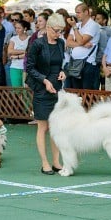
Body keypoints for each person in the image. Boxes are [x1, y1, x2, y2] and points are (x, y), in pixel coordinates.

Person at [25, 13, 67, 175]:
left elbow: (61, 63)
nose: (58, 34)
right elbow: (30, 67)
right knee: (43, 126)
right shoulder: (37, 44)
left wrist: (64, 72)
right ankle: (45, 163)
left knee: (56, 127)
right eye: (56, 30)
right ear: (48, 28)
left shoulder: (61, 43)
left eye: (61, 31)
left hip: (56, 88)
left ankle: (56, 162)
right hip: (42, 88)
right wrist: (44, 81)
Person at [66, 3, 101, 90]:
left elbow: (81, 40)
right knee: (77, 92)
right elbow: (68, 43)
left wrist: (74, 27)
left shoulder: (93, 25)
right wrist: (82, 45)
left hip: (87, 63)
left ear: (86, 12)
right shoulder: (77, 25)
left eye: (78, 12)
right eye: (76, 13)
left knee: (87, 92)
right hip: (75, 63)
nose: (77, 15)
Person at [6, 18, 30, 87]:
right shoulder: (13, 38)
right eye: (16, 28)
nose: (17, 30)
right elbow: (10, 51)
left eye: (19, 28)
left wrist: (17, 55)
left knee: (26, 90)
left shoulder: (30, 38)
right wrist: (24, 51)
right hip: (14, 67)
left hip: (26, 67)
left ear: (25, 28)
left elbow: (30, 53)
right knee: (16, 89)